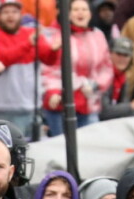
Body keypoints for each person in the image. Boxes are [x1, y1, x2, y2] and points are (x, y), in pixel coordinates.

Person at [0, 0, 59, 136]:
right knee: (5, 153)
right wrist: (28, 44)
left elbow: (48, 60)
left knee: (31, 152)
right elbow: (2, 57)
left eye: (14, 12)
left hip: (30, 107)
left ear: (21, 14)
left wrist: (54, 50)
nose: (11, 16)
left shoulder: (31, 33)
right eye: (6, 12)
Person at [42, 0, 115, 135]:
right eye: (75, 9)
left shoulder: (97, 35)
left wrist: (96, 85)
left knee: (90, 147)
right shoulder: (57, 34)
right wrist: (53, 91)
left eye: (84, 9)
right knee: (62, 149)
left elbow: (106, 67)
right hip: (61, 104)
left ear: (90, 14)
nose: (80, 12)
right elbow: (49, 69)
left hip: (89, 102)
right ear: (68, 14)